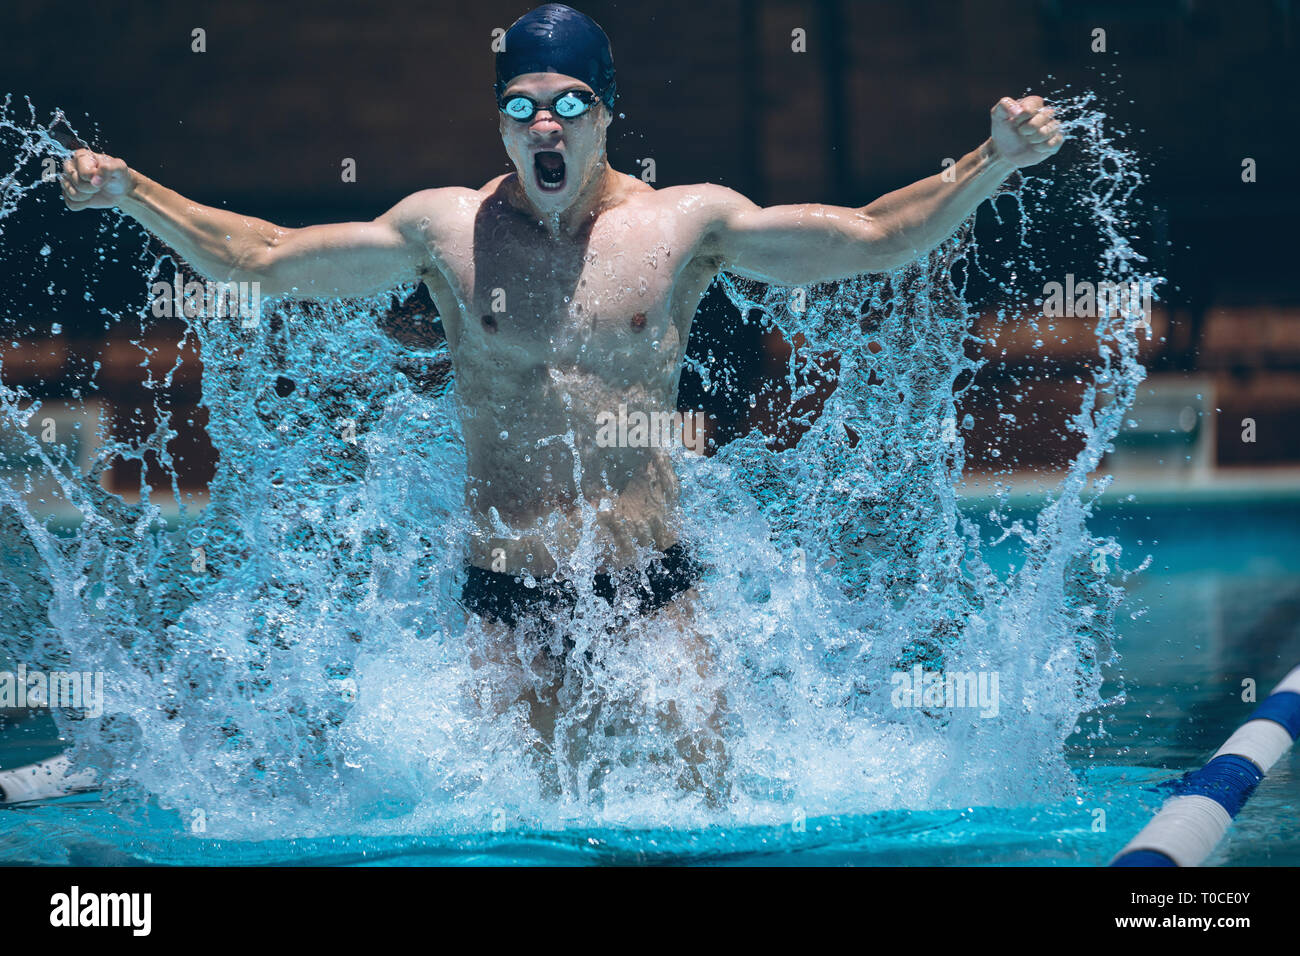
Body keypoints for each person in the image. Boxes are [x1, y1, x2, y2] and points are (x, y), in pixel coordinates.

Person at [24, 2, 1063, 805]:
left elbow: (876, 234)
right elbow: (261, 256)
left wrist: (992, 163)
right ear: (502, 123)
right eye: (521, 106)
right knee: (508, 833)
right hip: (503, 601)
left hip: (654, 596)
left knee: (704, 822)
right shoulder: (445, 232)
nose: (545, 124)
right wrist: (131, 192)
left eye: (569, 102)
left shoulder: (684, 225)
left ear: (608, 112)